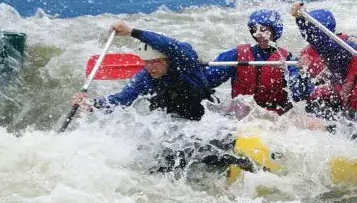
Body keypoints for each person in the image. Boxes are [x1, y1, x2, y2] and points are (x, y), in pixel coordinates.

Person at [72, 20, 212, 121]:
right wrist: (90, 104)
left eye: (156, 62)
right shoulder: (145, 77)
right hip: (173, 124)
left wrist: (131, 31)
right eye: (147, 62)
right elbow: (121, 100)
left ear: (168, 59)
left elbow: (168, 45)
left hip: (206, 118)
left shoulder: (185, 62)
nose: (150, 68)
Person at [204, 9, 299, 115]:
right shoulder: (237, 55)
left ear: (274, 30)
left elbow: (298, 92)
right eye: (254, 30)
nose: (258, 34)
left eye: (263, 30)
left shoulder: (287, 60)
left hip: (275, 120)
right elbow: (207, 80)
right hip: (240, 118)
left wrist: (302, 75)